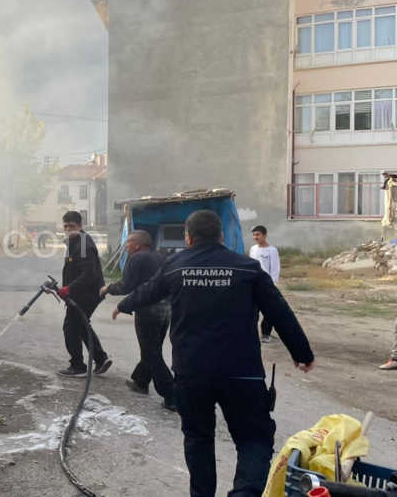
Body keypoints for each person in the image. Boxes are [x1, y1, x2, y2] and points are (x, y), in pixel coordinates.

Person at [114, 210, 315, 497]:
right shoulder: (247, 267)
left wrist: (123, 304)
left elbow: (148, 291)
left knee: (198, 439)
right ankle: (245, 493)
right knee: (254, 439)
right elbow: (279, 311)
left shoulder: (174, 266)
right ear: (221, 236)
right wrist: (302, 353)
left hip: (191, 373)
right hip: (242, 373)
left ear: (188, 237)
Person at [101, 230, 175, 411]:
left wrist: (108, 288)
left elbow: (127, 286)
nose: (126, 246)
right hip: (165, 310)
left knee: (151, 353)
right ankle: (141, 381)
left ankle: (173, 396)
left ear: (137, 244)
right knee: (153, 348)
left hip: (147, 309)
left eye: (128, 243)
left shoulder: (136, 259)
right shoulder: (159, 257)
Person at [55, 211, 113, 377]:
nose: (68, 229)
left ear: (80, 226)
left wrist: (69, 288)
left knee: (70, 328)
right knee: (81, 326)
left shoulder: (83, 244)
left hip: (87, 295)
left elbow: (89, 274)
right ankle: (101, 358)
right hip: (82, 294)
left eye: (71, 226)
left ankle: (78, 366)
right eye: (65, 226)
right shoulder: (75, 242)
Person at [249, 225, 281, 343]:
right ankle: (251, 333)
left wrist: (272, 285)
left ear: (264, 235)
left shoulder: (272, 250)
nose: (255, 237)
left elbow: (275, 269)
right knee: (252, 311)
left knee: (269, 311)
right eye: (254, 235)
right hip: (253, 284)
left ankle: (266, 334)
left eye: (258, 234)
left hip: (267, 285)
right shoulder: (253, 249)